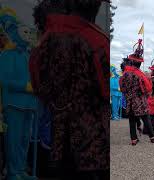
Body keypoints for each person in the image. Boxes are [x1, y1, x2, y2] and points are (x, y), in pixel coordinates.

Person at [29, 0, 110, 179]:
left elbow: (38, 87)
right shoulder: (96, 39)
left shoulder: (43, 43)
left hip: (58, 137)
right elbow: (105, 92)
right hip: (92, 141)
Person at [0, 8, 39, 180]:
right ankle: (13, 171)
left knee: (25, 138)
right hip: (14, 103)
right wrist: (25, 86)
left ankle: (21, 169)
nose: (29, 35)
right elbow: (5, 80)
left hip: (29, 104)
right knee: (14, 139)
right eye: (26, 32)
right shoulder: (8, 55)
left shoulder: (30, 56)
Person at [120, 39, 154, 145]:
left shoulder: (125, 74)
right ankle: (153, 138)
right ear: (139, 64)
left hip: (129, 100)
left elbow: (122, 88)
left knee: (131, 120)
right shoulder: (140, 75)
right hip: (140, 100)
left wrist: (129, 94)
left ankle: (134, 140)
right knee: (146, 118)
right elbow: (148, 89)